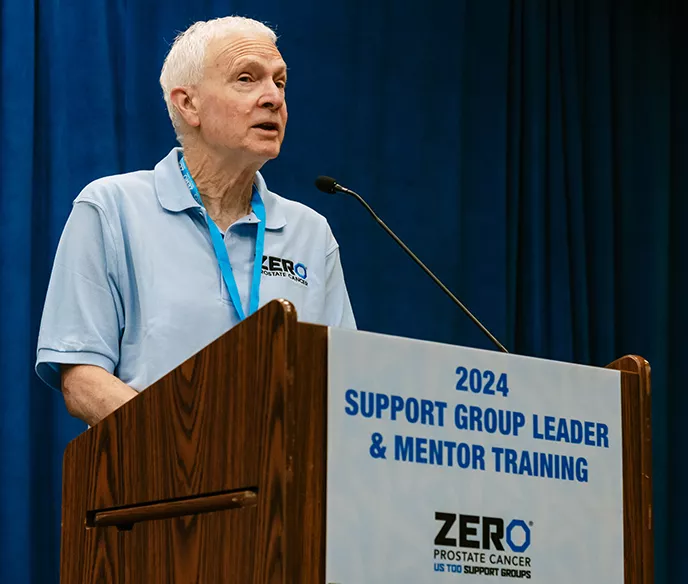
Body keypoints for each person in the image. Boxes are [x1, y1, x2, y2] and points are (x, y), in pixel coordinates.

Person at [35, 16, 356, 426]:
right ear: (188, 104)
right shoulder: (112, 208)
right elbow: (81, 378)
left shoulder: (311, 233)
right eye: (247, 79)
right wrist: (187, 447)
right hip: (158, 478)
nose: (273, 97)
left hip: (284, 483)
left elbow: (343, 381)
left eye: (280, 82)